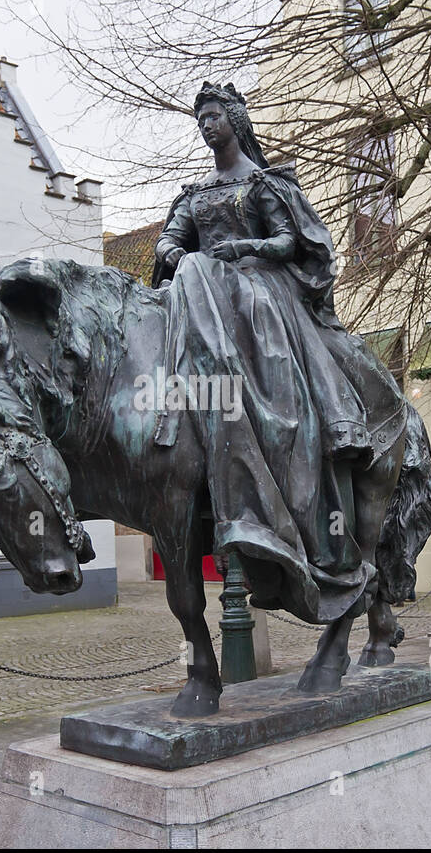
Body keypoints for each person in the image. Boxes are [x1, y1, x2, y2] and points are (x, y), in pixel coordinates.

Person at [151, 82, 407, 626]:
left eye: (214, 116)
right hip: (206, 292)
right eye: (200, 119)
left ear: (235, 122)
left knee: (284, 348)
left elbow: (290, 241)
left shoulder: (263, 183)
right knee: (185, 291)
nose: (206, 126)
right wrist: (180, 253)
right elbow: (168, 243)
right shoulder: (194, 195)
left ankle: (306, 423)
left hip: (261, 291)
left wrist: (244, 247)